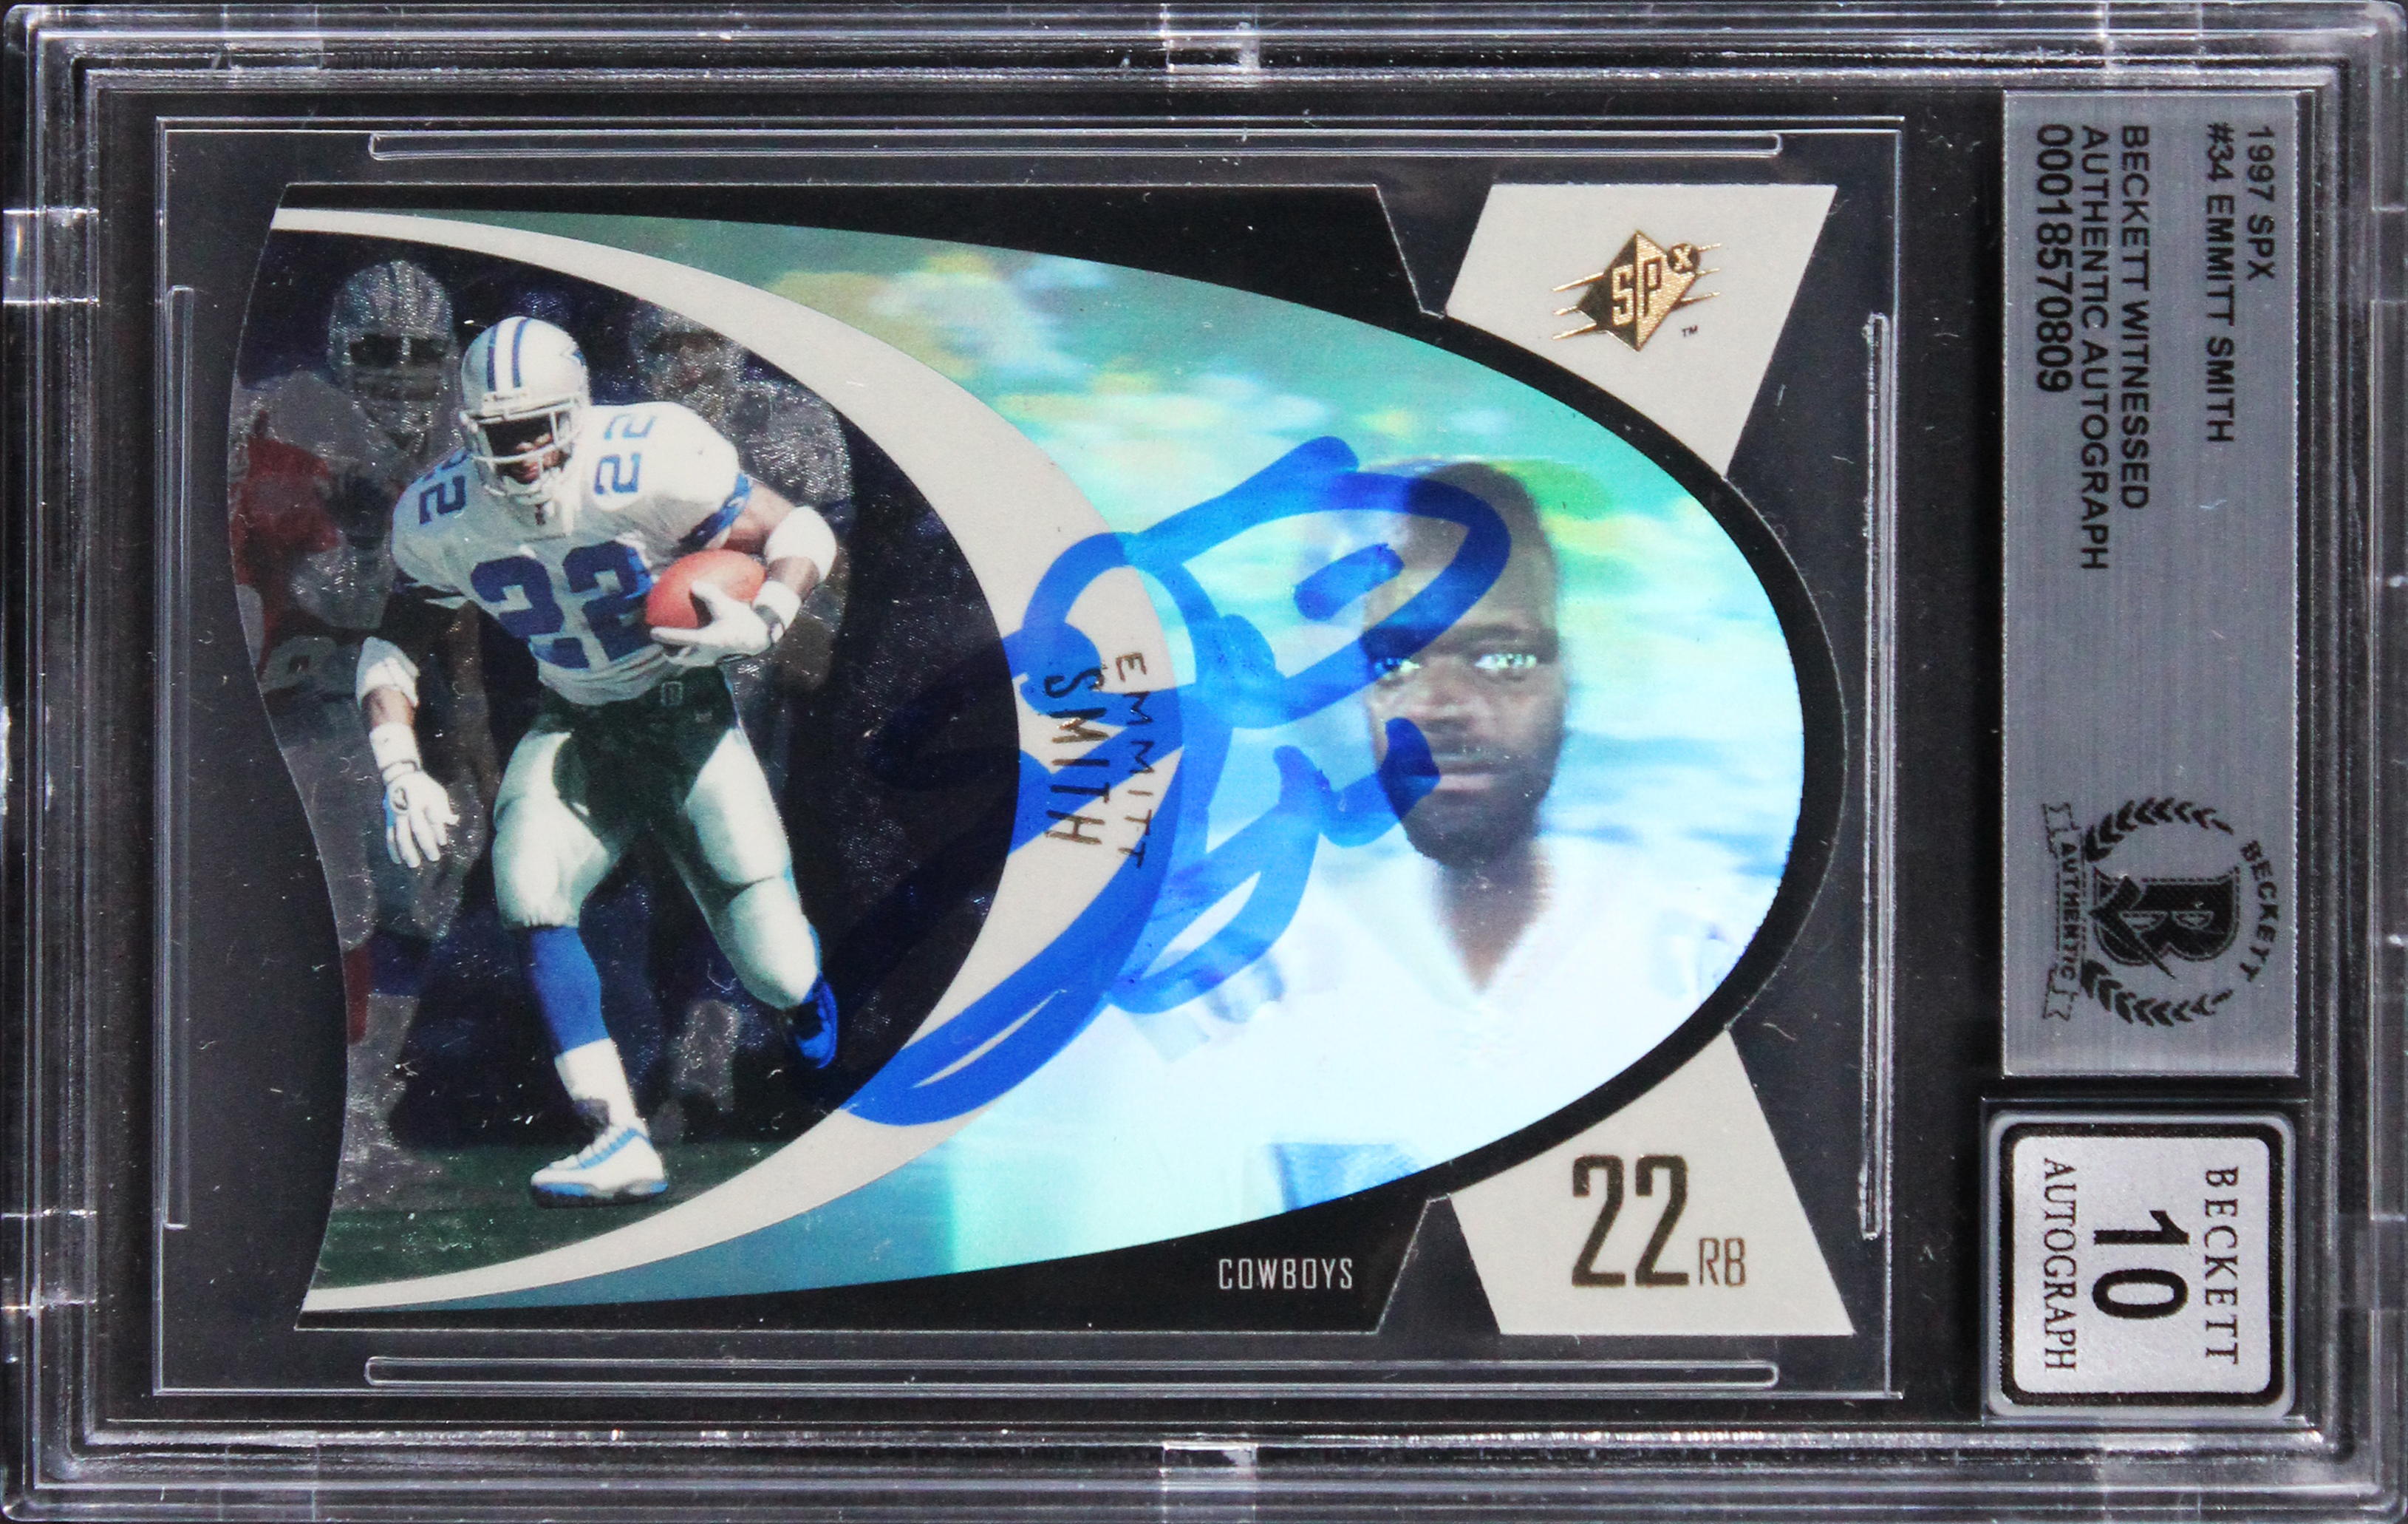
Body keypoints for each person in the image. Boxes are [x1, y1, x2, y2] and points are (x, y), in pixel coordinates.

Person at [356, 313, 840, 1205]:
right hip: (576, 717)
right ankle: (616, 1134)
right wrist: (398, 765)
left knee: (774, 968)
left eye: (538, 429)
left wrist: (767, 617)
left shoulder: (650, 457)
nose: (523, 455)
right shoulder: (441, 511)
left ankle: (806, 995)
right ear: (469, 431)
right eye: (501, 433)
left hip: (686, 719)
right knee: (528, 882)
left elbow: (801, 528)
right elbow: (394, 643)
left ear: (577, 413)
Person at [229, 259, 494, 1069]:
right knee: (334, 891)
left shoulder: (463, 431)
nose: (402, 371)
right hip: (292, 681)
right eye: (380, 349)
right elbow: (288, 580)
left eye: (422, 351)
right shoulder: (294, 413)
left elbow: (452, 585)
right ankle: (328, 1087)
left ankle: (367, 1094)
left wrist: (470, 714)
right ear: (342, 347)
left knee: (430, 874)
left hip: (389, 677)